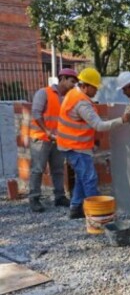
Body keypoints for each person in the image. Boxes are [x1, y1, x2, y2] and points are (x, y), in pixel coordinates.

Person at [57, 68, 130, 220]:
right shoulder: (81, 103)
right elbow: (99, 125)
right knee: (90, 178)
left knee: (82, 177)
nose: (96, 91)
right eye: (95, 87)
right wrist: (122, 120)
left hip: (72, 144)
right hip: (75, 146)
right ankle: (98, 215)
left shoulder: (74, 94)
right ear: (85, 86)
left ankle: (75, 208)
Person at [28, 68, 79, 212]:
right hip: (41, 138)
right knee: (38, 169)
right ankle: (34, 198)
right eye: (72, 82)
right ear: (62, 79)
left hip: (57, 139)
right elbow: (36, 113)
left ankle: (59, 197)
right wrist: (47, 131)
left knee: (58, 170)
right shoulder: (44, 93)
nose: (73, 85)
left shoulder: (67, 98)